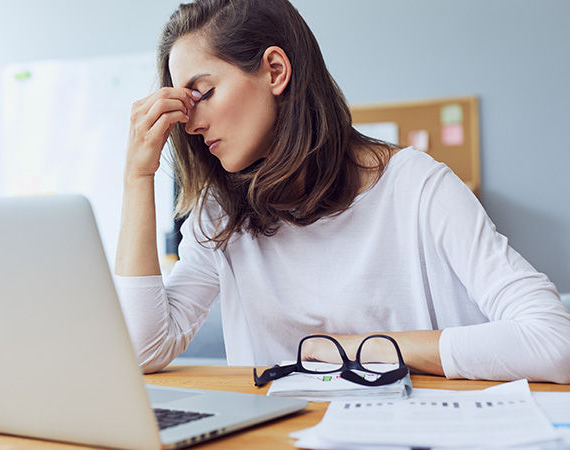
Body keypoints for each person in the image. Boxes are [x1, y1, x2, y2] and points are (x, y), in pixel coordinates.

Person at [113, 0, 570, 383]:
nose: (190, 124)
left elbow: (554, 341)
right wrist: (138, 177)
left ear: (275, 70)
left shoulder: (417, 187)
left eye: (204, 93)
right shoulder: (221, 214)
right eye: (182, 102)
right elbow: (141, 350)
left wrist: (358, 350)